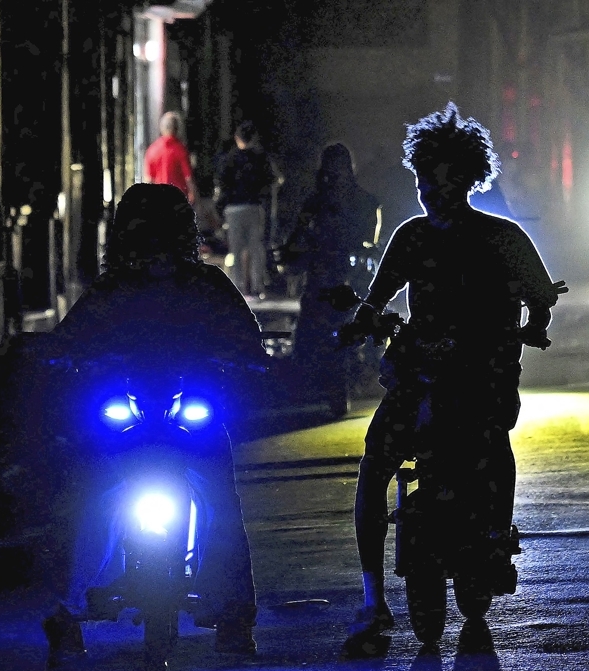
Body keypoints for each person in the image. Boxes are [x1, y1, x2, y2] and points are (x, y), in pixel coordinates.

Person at [340, 102, 565, 634]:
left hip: (482, 374)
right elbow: (379, 296)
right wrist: (362, 321)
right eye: (421, 180)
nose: (427, 191)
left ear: (466, 179)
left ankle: (494, 535)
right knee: (375, 464)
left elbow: (541, 294)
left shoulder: (503, 236)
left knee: (493, 444)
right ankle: (372, 596)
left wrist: (529, 324)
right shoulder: (412, 235)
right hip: (419, 374)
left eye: (437, 180)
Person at [35, 183, 265, 665]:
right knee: (88, 498)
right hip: (123, 424)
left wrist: (248, 361)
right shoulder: (111, 290)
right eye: (147, 237)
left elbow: (246, 339)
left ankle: (234, 614)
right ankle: (68, 608)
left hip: (191, 423)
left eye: (163, 236)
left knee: (219, 500)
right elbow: (66, 340)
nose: (155, 250)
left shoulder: (206, 286)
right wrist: (56, 359)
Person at [280, 142, 382, 412]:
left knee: (346, 330)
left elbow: (368, 240)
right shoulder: (317, 201)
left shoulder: (363, 201)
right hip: (322, 272)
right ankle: (309, 386)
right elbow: (300, 232)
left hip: (348, 274)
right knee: (311, 331)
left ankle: (345, 383)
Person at [214, 120, 276, 298]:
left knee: (236, 249)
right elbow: (269, 181)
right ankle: (257, 286)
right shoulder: (260, 158)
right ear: (254, 137)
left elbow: (221, 183)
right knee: (256, 248)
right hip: (254, 207)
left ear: (237, 138)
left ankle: (238, 286)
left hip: (233, 208)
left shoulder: (228, 159)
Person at [144, 112, 198, 202]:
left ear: (161, 128)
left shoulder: (152, 150)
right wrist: (194, 195)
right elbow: (188, 178)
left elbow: (148, 179)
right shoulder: (181, 150)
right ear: (177, 129)